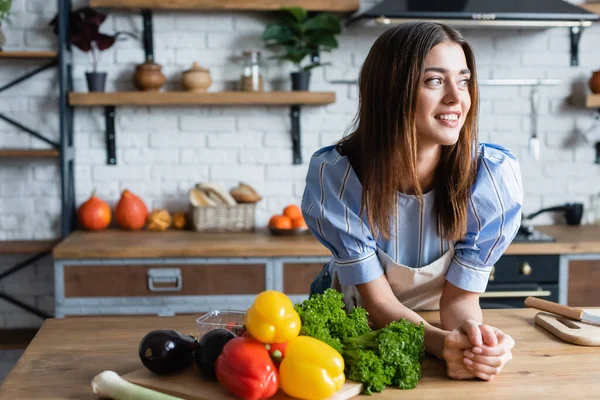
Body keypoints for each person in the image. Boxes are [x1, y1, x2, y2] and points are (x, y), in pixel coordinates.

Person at [301, 22, 522, 382]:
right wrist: (440, 344)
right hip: (356, 323)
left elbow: (458, 301)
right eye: (434, 81)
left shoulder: (491, 180)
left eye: (463, 80)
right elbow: (378, 304)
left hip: (435, 320)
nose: (456, 97)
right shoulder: (339, 175)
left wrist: (474, 343)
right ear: (391, 91)